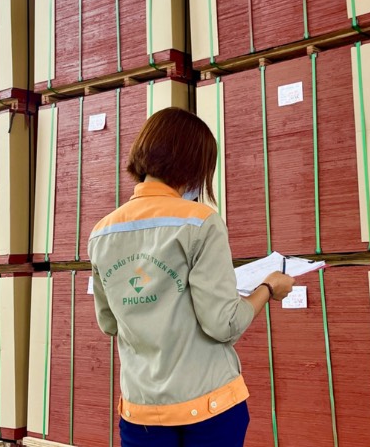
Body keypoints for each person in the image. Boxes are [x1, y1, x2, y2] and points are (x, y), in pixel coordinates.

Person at [89, 107, 295, 447]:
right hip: (207, 411)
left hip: (140, 414)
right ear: (194, 166)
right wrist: (268, 287)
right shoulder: (200, 222)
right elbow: (223, 324)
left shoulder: (101, 233)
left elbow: (109, 323)